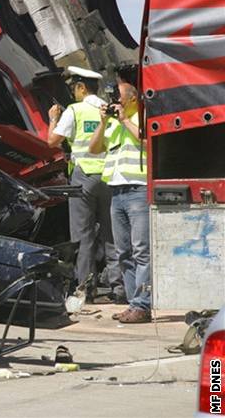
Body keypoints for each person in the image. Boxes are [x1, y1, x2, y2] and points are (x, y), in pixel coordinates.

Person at [47, 66, 122, 302]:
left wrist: (53, 119)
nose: (73, 94)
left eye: (74, 89)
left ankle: (85, 289)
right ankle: (119, 289)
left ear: (81, 87)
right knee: (112, 235)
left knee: (83, 236)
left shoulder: (74, 110)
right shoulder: (108, 109)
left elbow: (52, 142)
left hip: (82, 179)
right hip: (109, 177)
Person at [89, 82, 150, 323]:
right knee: (123, 251)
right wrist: (104, 121)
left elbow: (148, 143)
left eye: (120, 98)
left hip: (138, 190)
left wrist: (125, 119)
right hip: (116, 192)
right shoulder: (112, 123)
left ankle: (142, 304)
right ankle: (132, 302)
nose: (116, 103)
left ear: (133, 99)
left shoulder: (143, 117)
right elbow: (94, 149)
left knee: (141, 250)